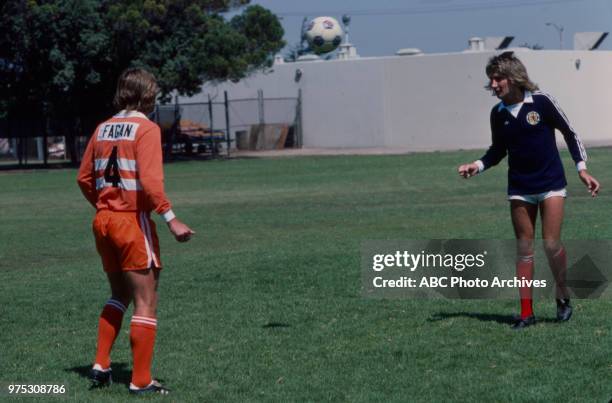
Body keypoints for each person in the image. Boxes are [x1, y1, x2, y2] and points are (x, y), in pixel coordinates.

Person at [457, 52, 600, 330]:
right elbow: (498, 151)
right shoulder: (498, 114)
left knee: (550, 244)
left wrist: (581, 169)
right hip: (520, 188)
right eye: (491, 80)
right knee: (524, 249)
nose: (494, 84)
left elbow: (570, 133)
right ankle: (526, 313)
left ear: (514, 77)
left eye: (498, 78)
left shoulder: (542, 102)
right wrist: (477, 165)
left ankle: (562, 296)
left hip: (551, 184)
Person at [77, 68, 195, 393]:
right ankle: (141, 381)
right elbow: (151, 182)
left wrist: (106, 205)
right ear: (148, 95)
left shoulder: (102, 129)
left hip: (103, 220)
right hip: (131, 220)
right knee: (146, 300)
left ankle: (100, 365)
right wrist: (171, 218)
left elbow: (84, 178)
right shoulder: (146, 129)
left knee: (120, 294)